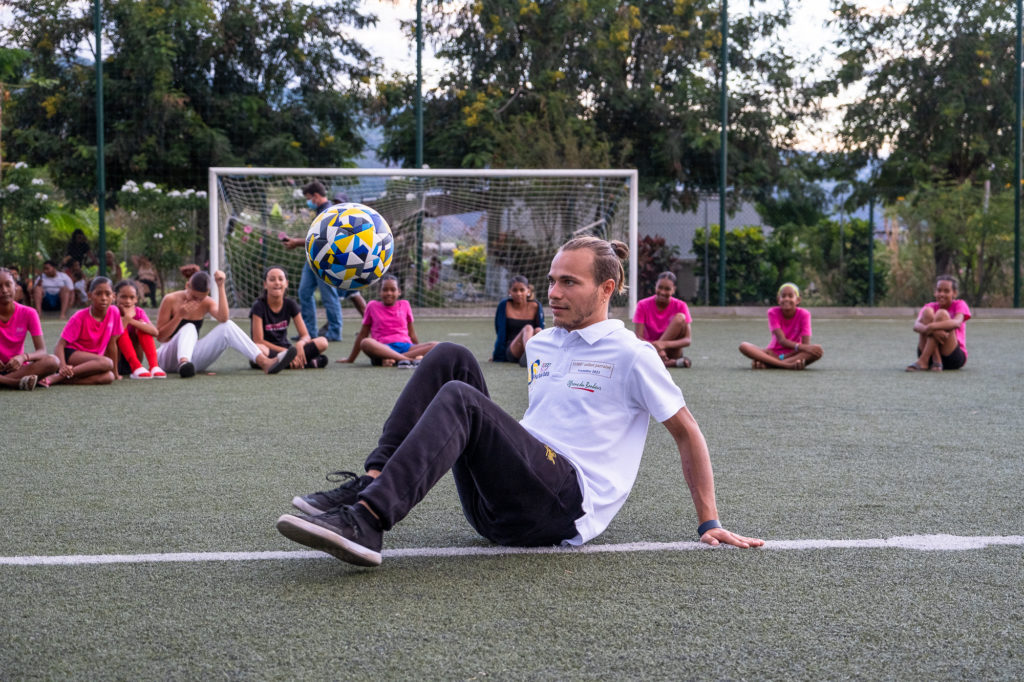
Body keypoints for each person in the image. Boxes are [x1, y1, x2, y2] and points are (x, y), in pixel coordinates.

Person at [278, 236, 764, 567]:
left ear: (607, 288)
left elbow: (687, 433)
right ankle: (373, 480)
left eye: (568, 283)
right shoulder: (546, 342)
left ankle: (368, 521)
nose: (552, 293)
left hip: (565, 504)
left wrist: (709, 521)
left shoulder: (633, 355)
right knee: (451, 358)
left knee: (462, 400)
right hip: (504, 503)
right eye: (552, 281)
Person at [154, 270, 296, 378]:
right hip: (165, 359)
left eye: (200, 298)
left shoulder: (206, 302)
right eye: (193, 296)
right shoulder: (170, 299)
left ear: (207, 293)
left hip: (191, 362)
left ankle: (265, 362)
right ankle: (183, 362)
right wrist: (179, 316)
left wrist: (221, 286)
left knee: (227, 326)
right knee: (189, 327)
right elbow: (160, 337)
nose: (196, 301)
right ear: (187, 286)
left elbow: (223, 318)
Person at [281, 181, 345, 341]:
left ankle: (334, 332)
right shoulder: (319, 211)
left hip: (326, 260)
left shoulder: (329, 211)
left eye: (309, 198)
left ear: (316, 196)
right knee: (304, 292)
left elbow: (322, 238)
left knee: (329, 296)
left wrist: (296, 242)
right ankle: (309, 332)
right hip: (313, 259)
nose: (308, 202)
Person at [338, 274, 437, 368]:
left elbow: (412, 333)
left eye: (393, 290)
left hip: (406, 346)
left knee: (437, 345)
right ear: (379, 292)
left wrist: (419, 349)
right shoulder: (372, 306)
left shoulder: (405, 304)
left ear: (399, 291)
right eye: (385, 290)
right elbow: (363, 334)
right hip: (382, 348)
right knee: (365, 342)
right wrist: (350, 359)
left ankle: (393, 359)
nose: (389, 293)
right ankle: (408, 359)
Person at [40, 276, 121, 386]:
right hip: (73, 354)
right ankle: (59, 376)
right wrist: (62, 367)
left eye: (107, 294)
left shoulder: (114, 312)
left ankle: (62, 379)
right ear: (89, 296)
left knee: (108, 377)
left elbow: (112, 344)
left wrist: (115, 373)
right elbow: (59, 345)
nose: (103, 298)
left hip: (94, 360)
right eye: (98, 294)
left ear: (114, 296)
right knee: (106, 362)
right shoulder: (79, 316)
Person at [249, 265, 329, 369]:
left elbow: (305, 335)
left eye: (280, 279)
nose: (277, 282)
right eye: (272, 280)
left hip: (287, 349)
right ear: (265, 284)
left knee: (323, 342)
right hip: (269, 350)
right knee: (258, 349)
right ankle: (306, 363)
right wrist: (286, 353)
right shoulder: (258, 306)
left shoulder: (290, 304)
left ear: (286, 283)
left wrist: (300, 343)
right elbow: (258, 340)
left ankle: (287, 363)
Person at [738, 282, 824, 370]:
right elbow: (782, 340)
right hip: (772, 353)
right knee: (744, 346)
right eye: (783, 296)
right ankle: (786, 366)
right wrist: (783, 358)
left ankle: (769, 364)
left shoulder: (804, 314)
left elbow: (806, 345)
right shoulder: (773, 312)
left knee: (818, 351)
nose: (786, 299)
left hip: (794, 354)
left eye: (790, 296)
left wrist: (786, 356)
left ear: (798, 300)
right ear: (778, 299)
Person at [0, 268, 58, 390]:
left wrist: (23, 357)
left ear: (16, 287)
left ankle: (6, 381)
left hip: (18, 369)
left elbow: (42, 351)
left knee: (53, 361)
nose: (4, 290)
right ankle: (14, 383)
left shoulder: (29, 313)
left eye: (8, 285)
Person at [906, 275, 971, 372]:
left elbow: (957, 322)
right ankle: (935, 359)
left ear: (954, 293)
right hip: (930, 356)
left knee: (942, 314)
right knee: (927, 312)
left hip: (952, 356)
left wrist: (931, 327)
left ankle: (924, 361)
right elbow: (916, 326)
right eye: (939, 290)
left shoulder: (960, 304)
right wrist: (930, 330)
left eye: (946, 291)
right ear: (934, 292)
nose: (941, 294)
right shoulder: (929, 306)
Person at [633, 271, 693, 368]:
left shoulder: (681, 306)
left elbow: (687, 340)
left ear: (674, 290)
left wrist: (662, 345)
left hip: (671, 351)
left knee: (680, 318)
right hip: (648, 350)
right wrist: (656, 348)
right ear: (655, 286)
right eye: (660, 287)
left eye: (667, 289)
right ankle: (671, 363)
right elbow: (638, 337)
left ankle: (662, 361)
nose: (662, 292)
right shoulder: (642, 305)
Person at [114, 280, 165, 379]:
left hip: (136, 358)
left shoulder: (138, 312)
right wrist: (127, 319)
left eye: (131, 297)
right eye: (123, 297)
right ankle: (135, 366)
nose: (128, 301)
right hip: (116, 361)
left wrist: (132, 321)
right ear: (115, 297)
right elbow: (113, 337)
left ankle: (154, 366)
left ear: (136, 299)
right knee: (121, 328)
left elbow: (155, 332)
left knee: (142, 328)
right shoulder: (112, 311)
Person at [491, 275, 543, 366]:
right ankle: (529, 356)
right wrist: (497, 355)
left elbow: (541, 329)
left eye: (522, 290)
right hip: (512, 349)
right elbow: (499, 330)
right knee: (528, 328)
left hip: (532, 345)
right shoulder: (504, 305)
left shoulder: (536, 306)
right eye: (515, 290)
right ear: (509, 292)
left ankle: (533, 356)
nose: (518, 293)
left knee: (538, 330)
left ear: (528, 291)